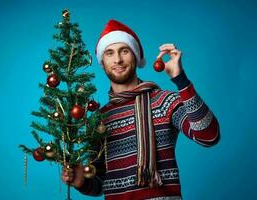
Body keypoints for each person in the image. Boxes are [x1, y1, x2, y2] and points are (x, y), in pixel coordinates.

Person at [61, 19, 220, 200]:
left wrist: (180, 79)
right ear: (102, 62)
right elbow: (100, 184)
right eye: (109, 53)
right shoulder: (99, 119)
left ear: (135, 56)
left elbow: (209, 136)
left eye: (125, 51)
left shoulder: (163, 101)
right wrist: (82, 182)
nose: (118, 59)